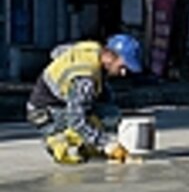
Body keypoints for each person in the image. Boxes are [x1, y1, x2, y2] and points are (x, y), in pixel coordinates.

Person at [25, 35, 143, 164]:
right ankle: (57, 140)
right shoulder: (85, 79)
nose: (123, 73)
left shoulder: (92, 50)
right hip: (45, 113)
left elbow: (56, 52)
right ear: (109, 57)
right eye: (122, 67)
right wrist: (106, 144)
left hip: (52, 104)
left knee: (109, 112)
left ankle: (86, 145)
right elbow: (76, 120)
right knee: (98, 120)